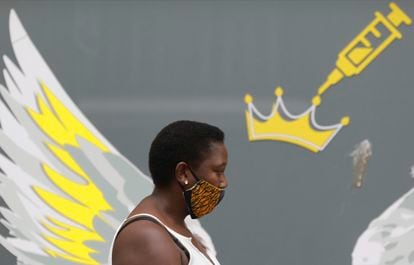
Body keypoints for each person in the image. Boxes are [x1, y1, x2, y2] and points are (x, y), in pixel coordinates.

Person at [111, 120, 228, 265]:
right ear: (183, 173)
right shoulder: (148, 237)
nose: (224, 182)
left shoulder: (182, 230)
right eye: (218, 172)